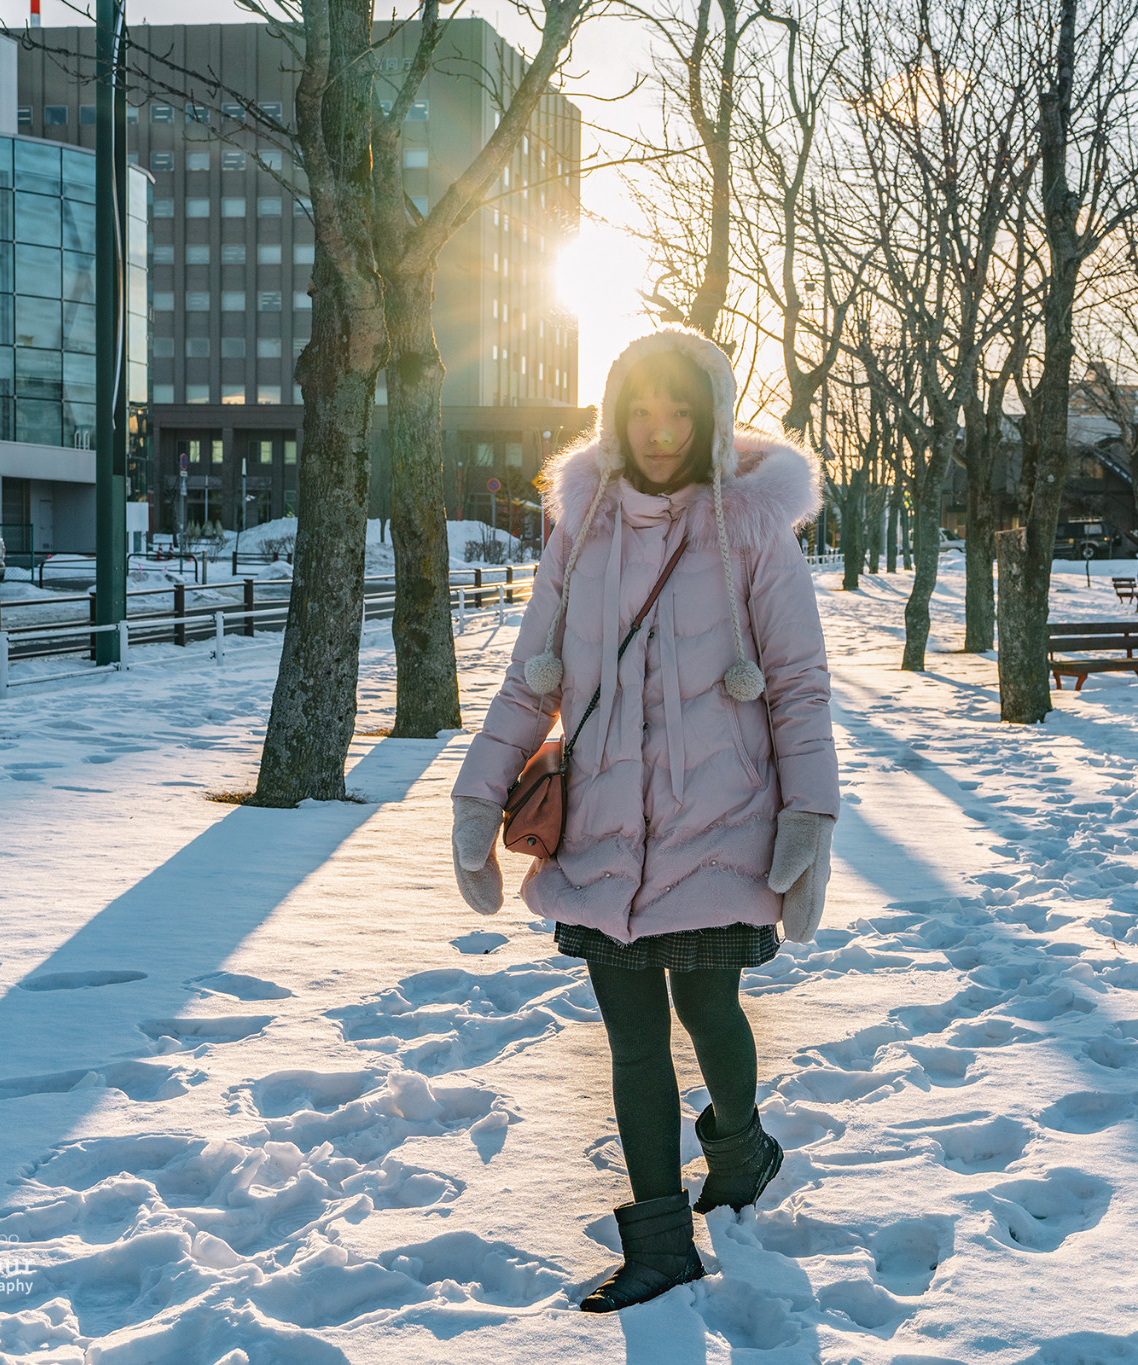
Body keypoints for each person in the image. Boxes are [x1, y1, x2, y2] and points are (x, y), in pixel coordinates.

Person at [450, 327, 839, 1313]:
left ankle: (742, 1147)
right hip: (602, 836)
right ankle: (660, 1245)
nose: (659, 430)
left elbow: (795, 686)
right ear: (614, 414)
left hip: (721, 824)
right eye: (640, 408)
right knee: (630, 1041)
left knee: (708, 1009)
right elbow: (526, 682)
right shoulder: (579, 527)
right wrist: (473, 797)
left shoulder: (749, 526)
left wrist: (810, 819)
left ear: (707, 413)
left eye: (679, 409)